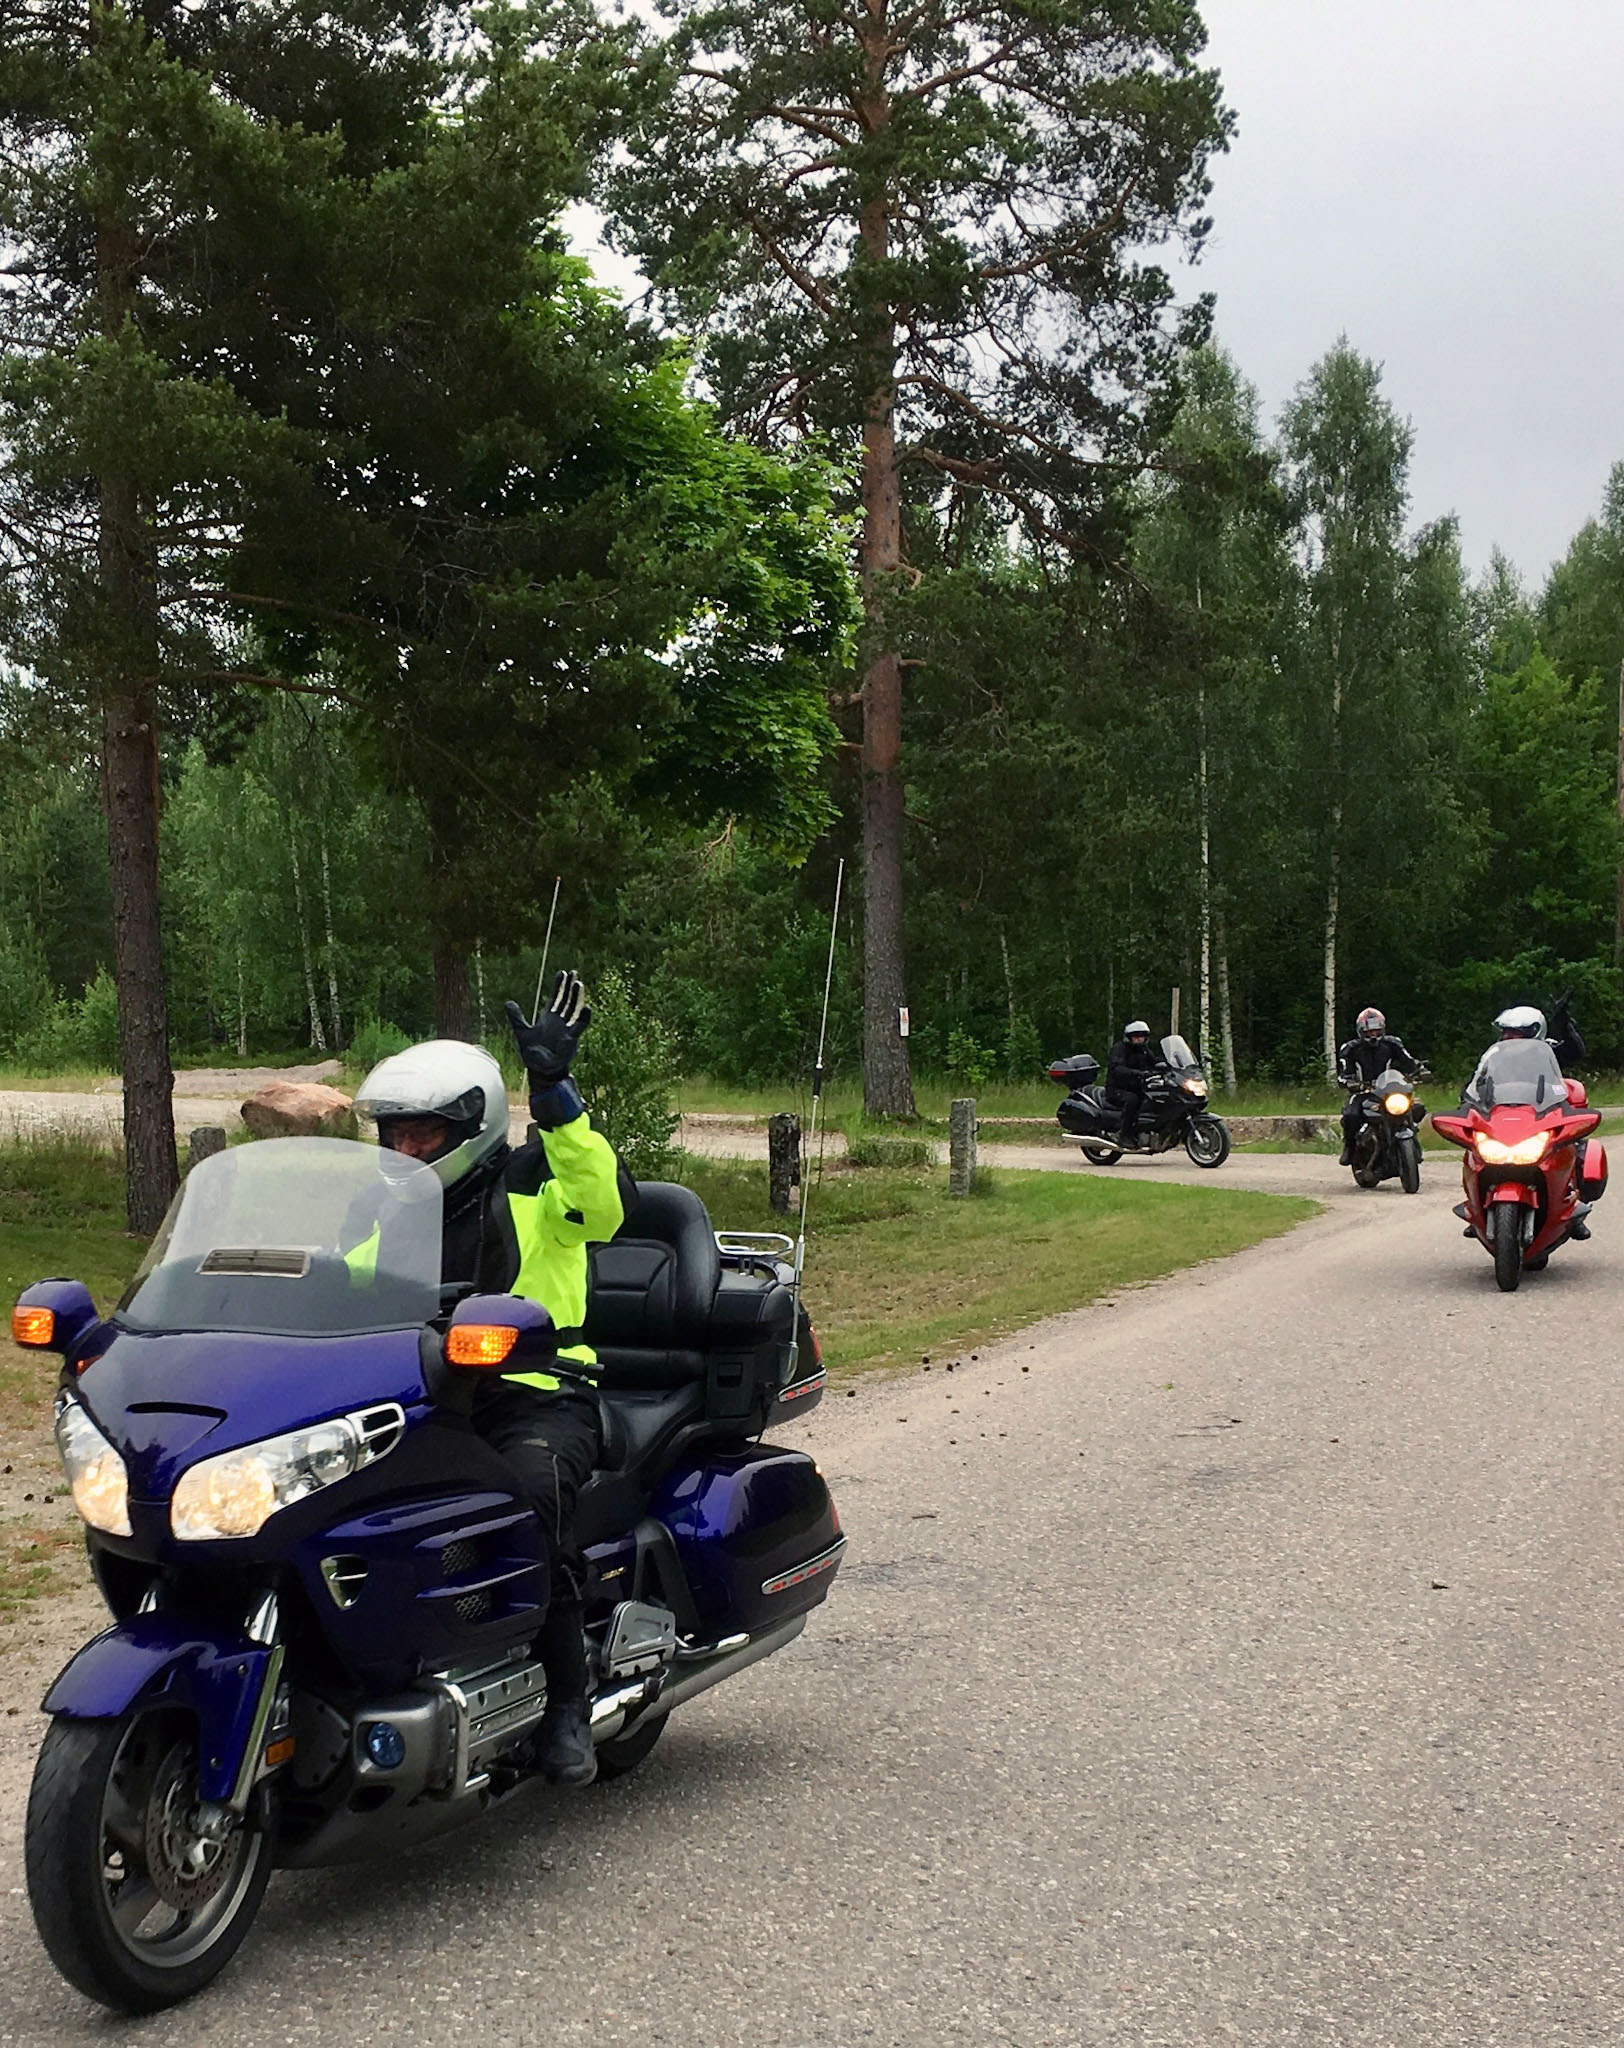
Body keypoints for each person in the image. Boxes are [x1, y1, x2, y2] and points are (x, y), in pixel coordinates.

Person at [353, 969, 625, 1784]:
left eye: (424, 1135)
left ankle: (569, 1701)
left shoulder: (535, 1186)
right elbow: (343, 1287)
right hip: (422, 1398)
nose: (406, 1149)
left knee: (526, 1502)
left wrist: (556, 1093)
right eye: (396, 1134)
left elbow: (602, 1202)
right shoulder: (388, 1212)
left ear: (468, 1128)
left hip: (539, 1397)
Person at [1336, 1006, 1423, 1168]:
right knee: (1351, 1115)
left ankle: (1413, 1141)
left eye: (1376, 1031)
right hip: (1363, 1092)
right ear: (1360, 1031)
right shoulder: (1350, 1049)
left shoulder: (1392, 1044)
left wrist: (1421, 1071)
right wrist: (1348, 1082)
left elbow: (1409, 1061)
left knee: (1416, 1107)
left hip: (1388, 1090)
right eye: (1369, 1032)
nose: (1373, 1035)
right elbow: (1343, 1072)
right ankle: (1349, 1147)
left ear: (1382, 1028)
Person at [1106, 1020, 1157, 1145]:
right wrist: (1138, 1073)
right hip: (1117, 1089)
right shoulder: (1120, 1049)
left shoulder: (1144, 1050)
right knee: (1132, 1100)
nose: (1139, 1039)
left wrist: (1168, 1066)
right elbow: (1117, 1068)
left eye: (1142, 1036)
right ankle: (1122, 1134)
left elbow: (1154, 1062)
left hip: (1137, 1087)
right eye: (1136, 1036)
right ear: (1129, 1037)